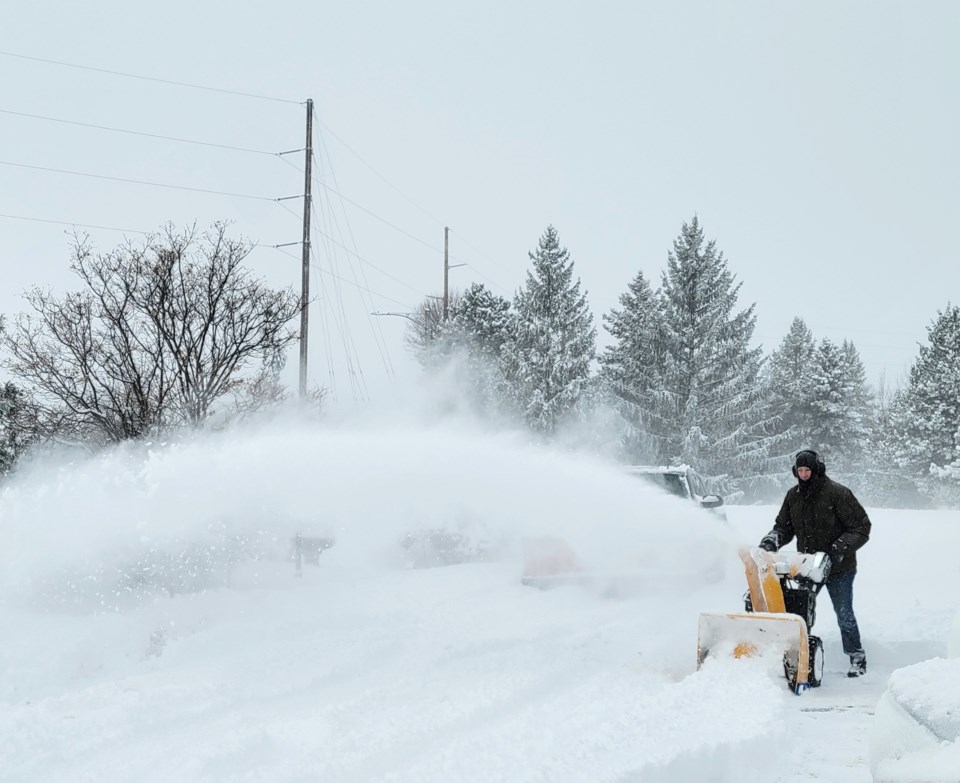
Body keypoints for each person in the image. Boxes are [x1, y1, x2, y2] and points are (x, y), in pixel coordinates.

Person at [758, 449, 872, 677]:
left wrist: (838, 549)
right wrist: (772, 539)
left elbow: (861, 527)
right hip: (808, 565)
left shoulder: (837, 493)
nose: (803, 474)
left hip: (839, 567)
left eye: (807, 470)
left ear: (816, 469)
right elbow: (784, 526)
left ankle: (857, 656)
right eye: (799, 470)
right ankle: (798, 655)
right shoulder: (793, 496)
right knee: (799, 611)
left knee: (844, 613)